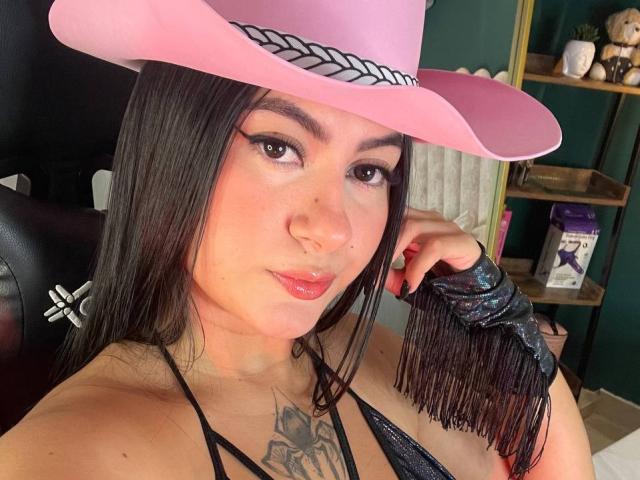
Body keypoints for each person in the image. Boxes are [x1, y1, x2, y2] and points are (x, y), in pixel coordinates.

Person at [0, 1, 594, 479]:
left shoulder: (376, 354)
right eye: (278, 147)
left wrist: (501, 319)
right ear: (171, 149)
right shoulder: (75, 455)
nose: (332, 229)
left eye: (368, 171)